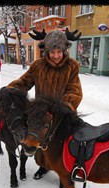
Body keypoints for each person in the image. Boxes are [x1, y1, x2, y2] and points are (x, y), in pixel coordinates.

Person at [7, 28, 83, 179]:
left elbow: (75, 91)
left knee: (61, 147)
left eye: (59, 52)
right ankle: (44, 166)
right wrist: (10, 90)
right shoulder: (38, 66)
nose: (56, 56)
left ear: (64, 50)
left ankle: (63, 174)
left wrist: (64, 108)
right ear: (46, 51)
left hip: (62, 114)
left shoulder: (72, 66)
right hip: (40, 114)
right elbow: (24, 82)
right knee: (39, 143)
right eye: (52, 52)